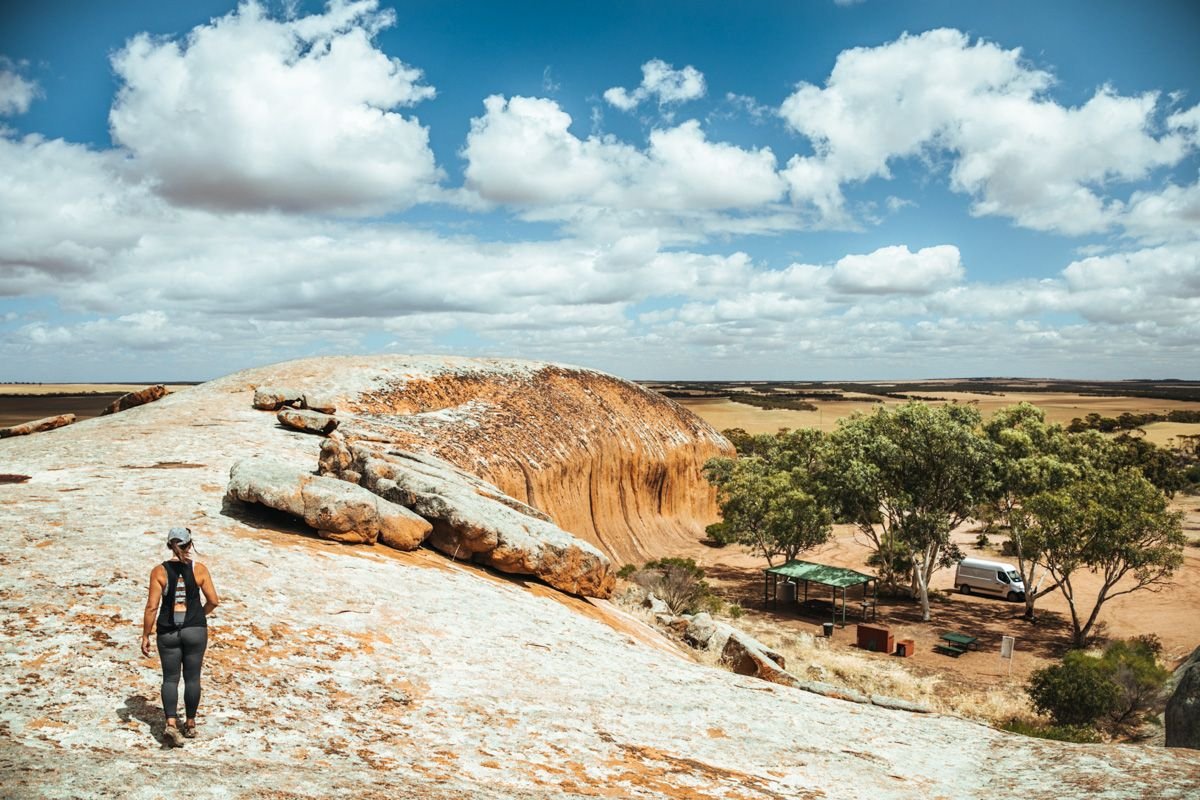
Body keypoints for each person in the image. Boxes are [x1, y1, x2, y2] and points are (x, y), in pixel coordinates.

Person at [141, 527, 220, 747]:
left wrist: (146, 634)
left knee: (170, 678)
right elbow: (213, 600)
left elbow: (151, 607)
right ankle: (191, 725)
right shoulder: (200, 570)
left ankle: (171, 724)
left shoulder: (159, 571)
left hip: (168, 631)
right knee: (193, 677)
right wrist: (197, 616)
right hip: (195, 630)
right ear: (190, 545)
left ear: (169, 545)